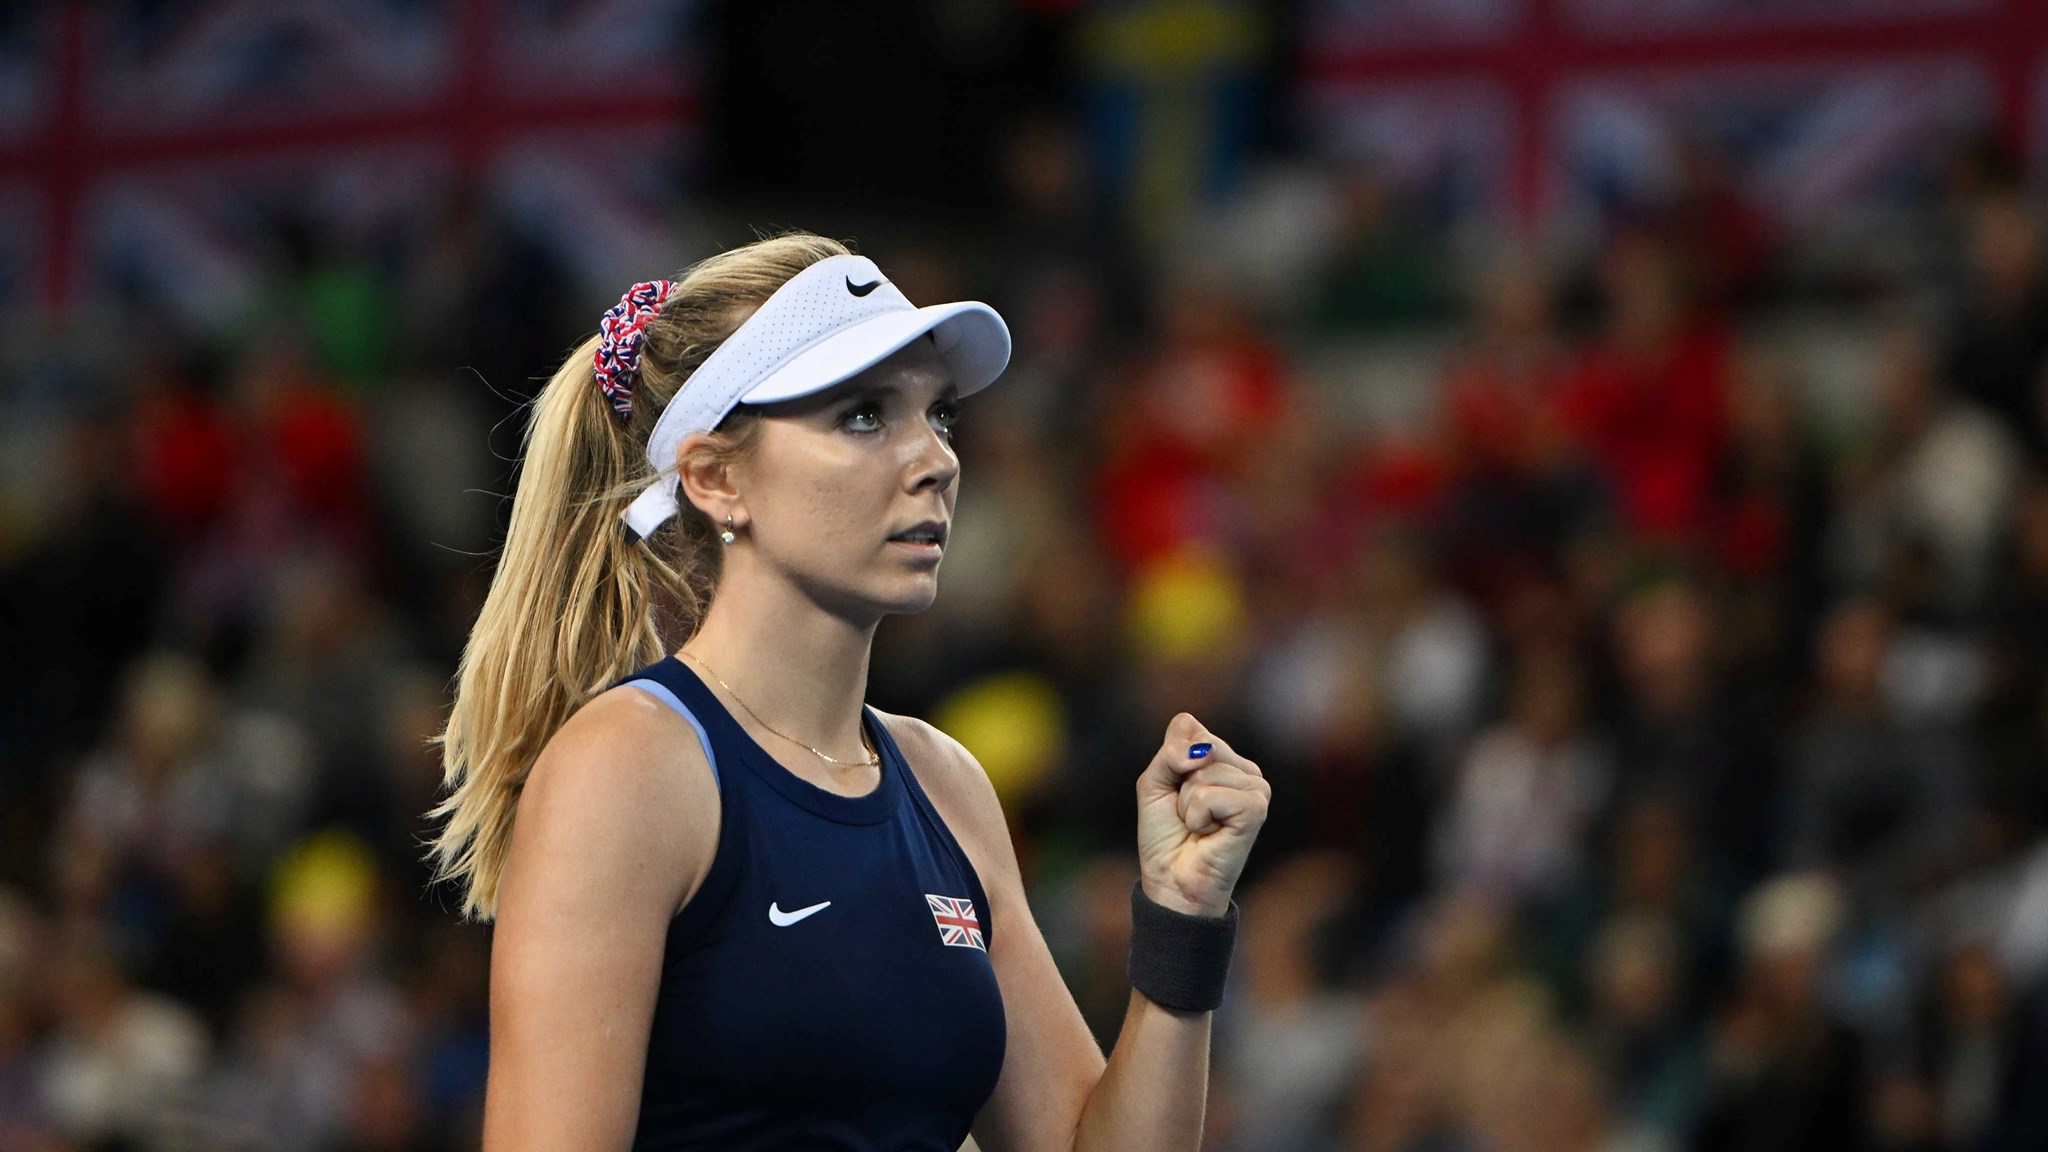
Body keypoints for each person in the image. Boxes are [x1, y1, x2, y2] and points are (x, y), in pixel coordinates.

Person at [421, 232, 1272, 1151]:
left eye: (937, 414)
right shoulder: (628, 767)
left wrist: (1181, 920)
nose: (936, 459)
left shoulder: (947, 783)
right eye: (864, 415)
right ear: (714, 478)